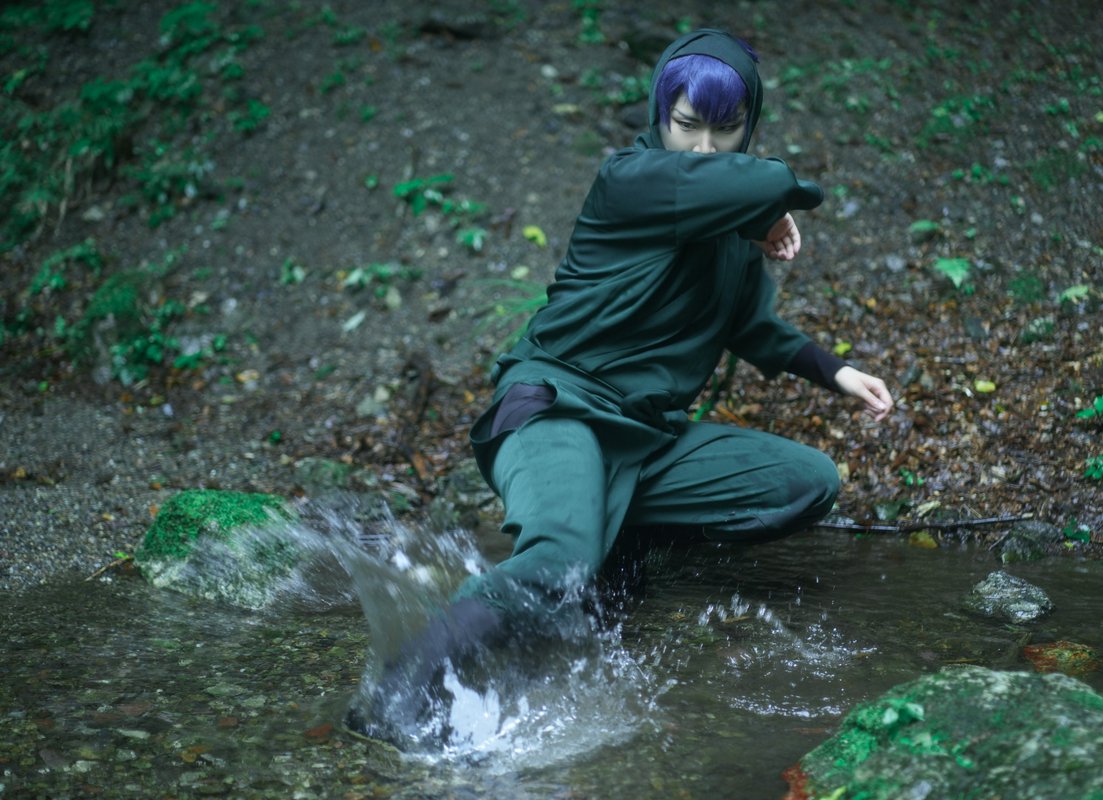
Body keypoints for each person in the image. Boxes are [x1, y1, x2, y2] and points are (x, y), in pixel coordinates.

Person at [350, 27, 893, 746]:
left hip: (645, 439)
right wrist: (766, 206)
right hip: (556, 410)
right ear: (660, 116)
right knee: (557, 564)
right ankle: (395, 696)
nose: (704, 149)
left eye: (726, 130)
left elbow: (751, 326)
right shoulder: (630, 182)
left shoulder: (733, 234)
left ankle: (618, 544)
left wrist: (836, 371)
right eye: (687, 125)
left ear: (749, 125)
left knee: (805, 482)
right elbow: (776, 183)